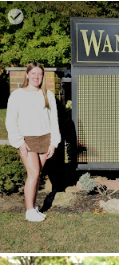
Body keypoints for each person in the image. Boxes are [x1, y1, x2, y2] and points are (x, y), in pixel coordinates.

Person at [5, 62, 60, 223]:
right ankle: (29, 211)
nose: (37, 77)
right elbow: (10, 122)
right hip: (27, 140)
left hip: (45, 138)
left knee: (36, 175)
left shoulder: (47, 95)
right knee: (33, 174)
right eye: (34, 73)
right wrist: (19, 142)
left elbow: (54, 120)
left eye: (40, 74)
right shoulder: (17, 95)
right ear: (27, 75)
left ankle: (34, 207)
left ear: (43, 76)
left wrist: (54, 142)